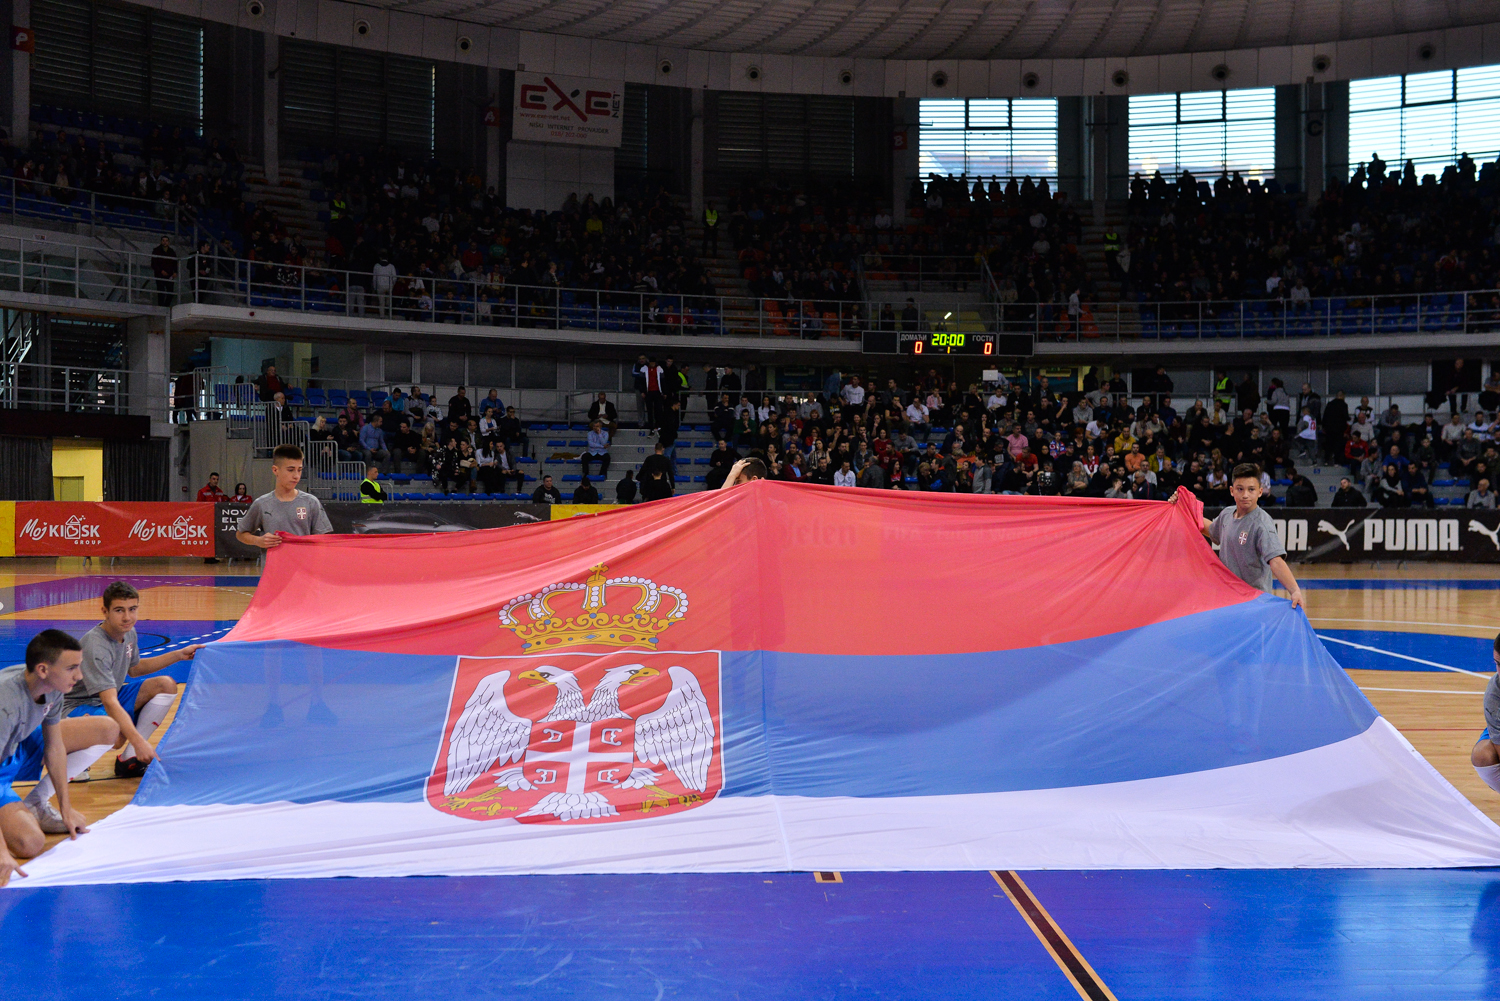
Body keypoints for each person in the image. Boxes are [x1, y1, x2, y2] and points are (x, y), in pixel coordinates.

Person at [0, 630, 111, 882]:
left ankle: (36, 803)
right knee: (30, 843)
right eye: (72, 667)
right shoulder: (4, 703)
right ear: (42, 669)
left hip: (14, 752)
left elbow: (54, 746)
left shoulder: (53, 686)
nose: (80, 675)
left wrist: (66, 808)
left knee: (107, 728)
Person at [63, 581, 203, 779]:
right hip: (76, 705)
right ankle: (74, 754)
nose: (127, 617)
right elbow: (109, 701)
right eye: (119, 610)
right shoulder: (96, 646)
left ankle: (129, 760)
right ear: (105, 611)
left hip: (107, 697)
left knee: (166, 685)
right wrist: (138, 741)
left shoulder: (129, 632)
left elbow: (135, 669)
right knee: (116, 735)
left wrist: (179, 655)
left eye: (132, 609)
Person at [1173, 463, 1304, 607]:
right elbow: (1210, 529)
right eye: (1240, 489)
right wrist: (1183, 507)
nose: (1245, 495)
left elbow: (1276, 561)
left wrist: (1295, 590)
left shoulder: (1262, 523)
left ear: (1260, 492)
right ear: (1231, 490)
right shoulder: (1227, 514)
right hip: (1227, 598)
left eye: (1251, 489)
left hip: (1254, 602)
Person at [236, 445, 334, 552]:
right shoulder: (262, 503)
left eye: (299, 470)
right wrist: (258, 540)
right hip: (273, 567)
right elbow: (241, 534)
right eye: (291, 470)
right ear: (275, 470)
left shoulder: (311, 502)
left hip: (303, 567)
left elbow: (323, 539)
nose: (296, 476)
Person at [151, 235, 178, 306]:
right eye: (163, 240)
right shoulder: (156, 250)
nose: (165, 242)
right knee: (161, 292)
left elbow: (175, 263)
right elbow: (154, 263)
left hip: (169, 274)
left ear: (169, 242)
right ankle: (161, 306)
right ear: (161, 241)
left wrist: (175, 272)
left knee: (171, 292)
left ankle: (166, 306)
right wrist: (161, 271)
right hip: (159, 275)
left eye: (166, 241)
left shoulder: (172, 252)